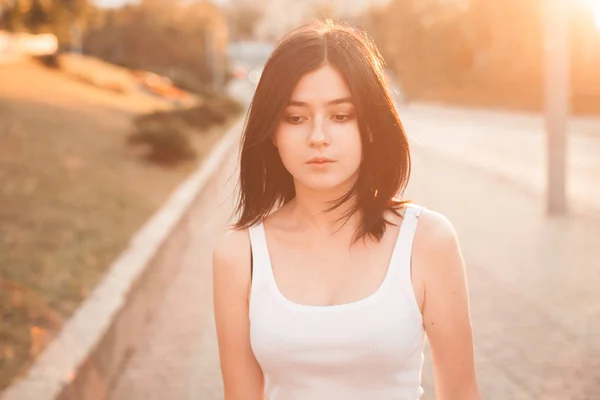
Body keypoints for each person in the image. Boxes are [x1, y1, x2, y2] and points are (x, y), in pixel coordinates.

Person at [213, 19, 481, 400]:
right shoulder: (239, 255)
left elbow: (461, 393)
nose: (318, 137)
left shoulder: (426, 240)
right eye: (295, 117)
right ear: (272, 131)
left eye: (341, 116)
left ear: (369, 126)